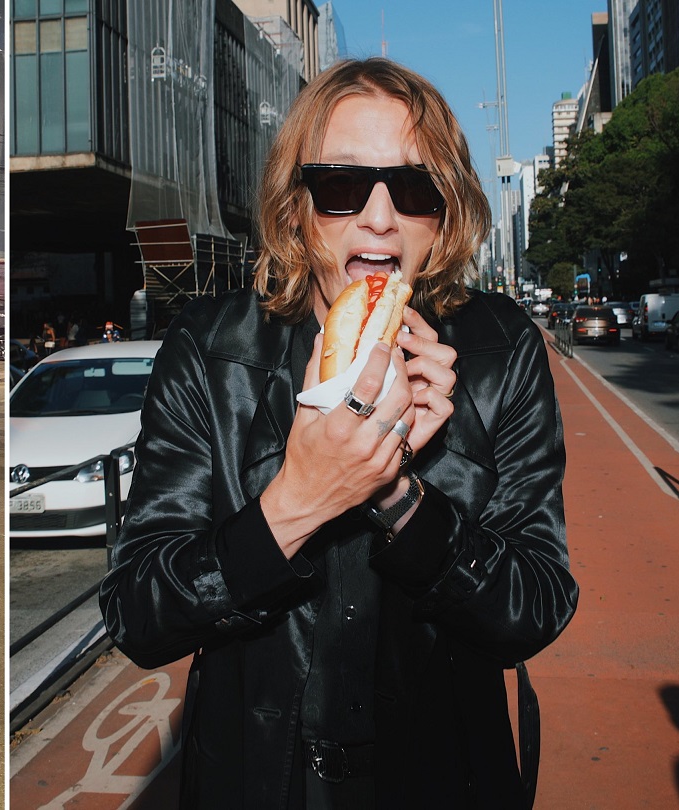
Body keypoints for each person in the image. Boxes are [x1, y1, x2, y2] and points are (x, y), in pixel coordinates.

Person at [98, 58, 578, 809]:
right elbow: (138, 614)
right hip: (256, 777)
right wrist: (297, 501)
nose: (379, 218)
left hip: (444, 775)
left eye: (413, 189)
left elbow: (535, 606)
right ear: (295, 207)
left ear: (442, 215)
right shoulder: (208, 347)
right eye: (342, 186)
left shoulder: (498, 349)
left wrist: (399, 497)